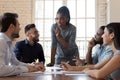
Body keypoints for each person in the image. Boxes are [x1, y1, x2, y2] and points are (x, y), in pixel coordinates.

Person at [0, 12, 45, 77]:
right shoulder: (1, 42)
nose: (20, 28)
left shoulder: (7, 42)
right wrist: (27, 69)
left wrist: (34, 66)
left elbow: (15, 63)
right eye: (18, 25)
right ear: (11, 27)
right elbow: (1, 70)